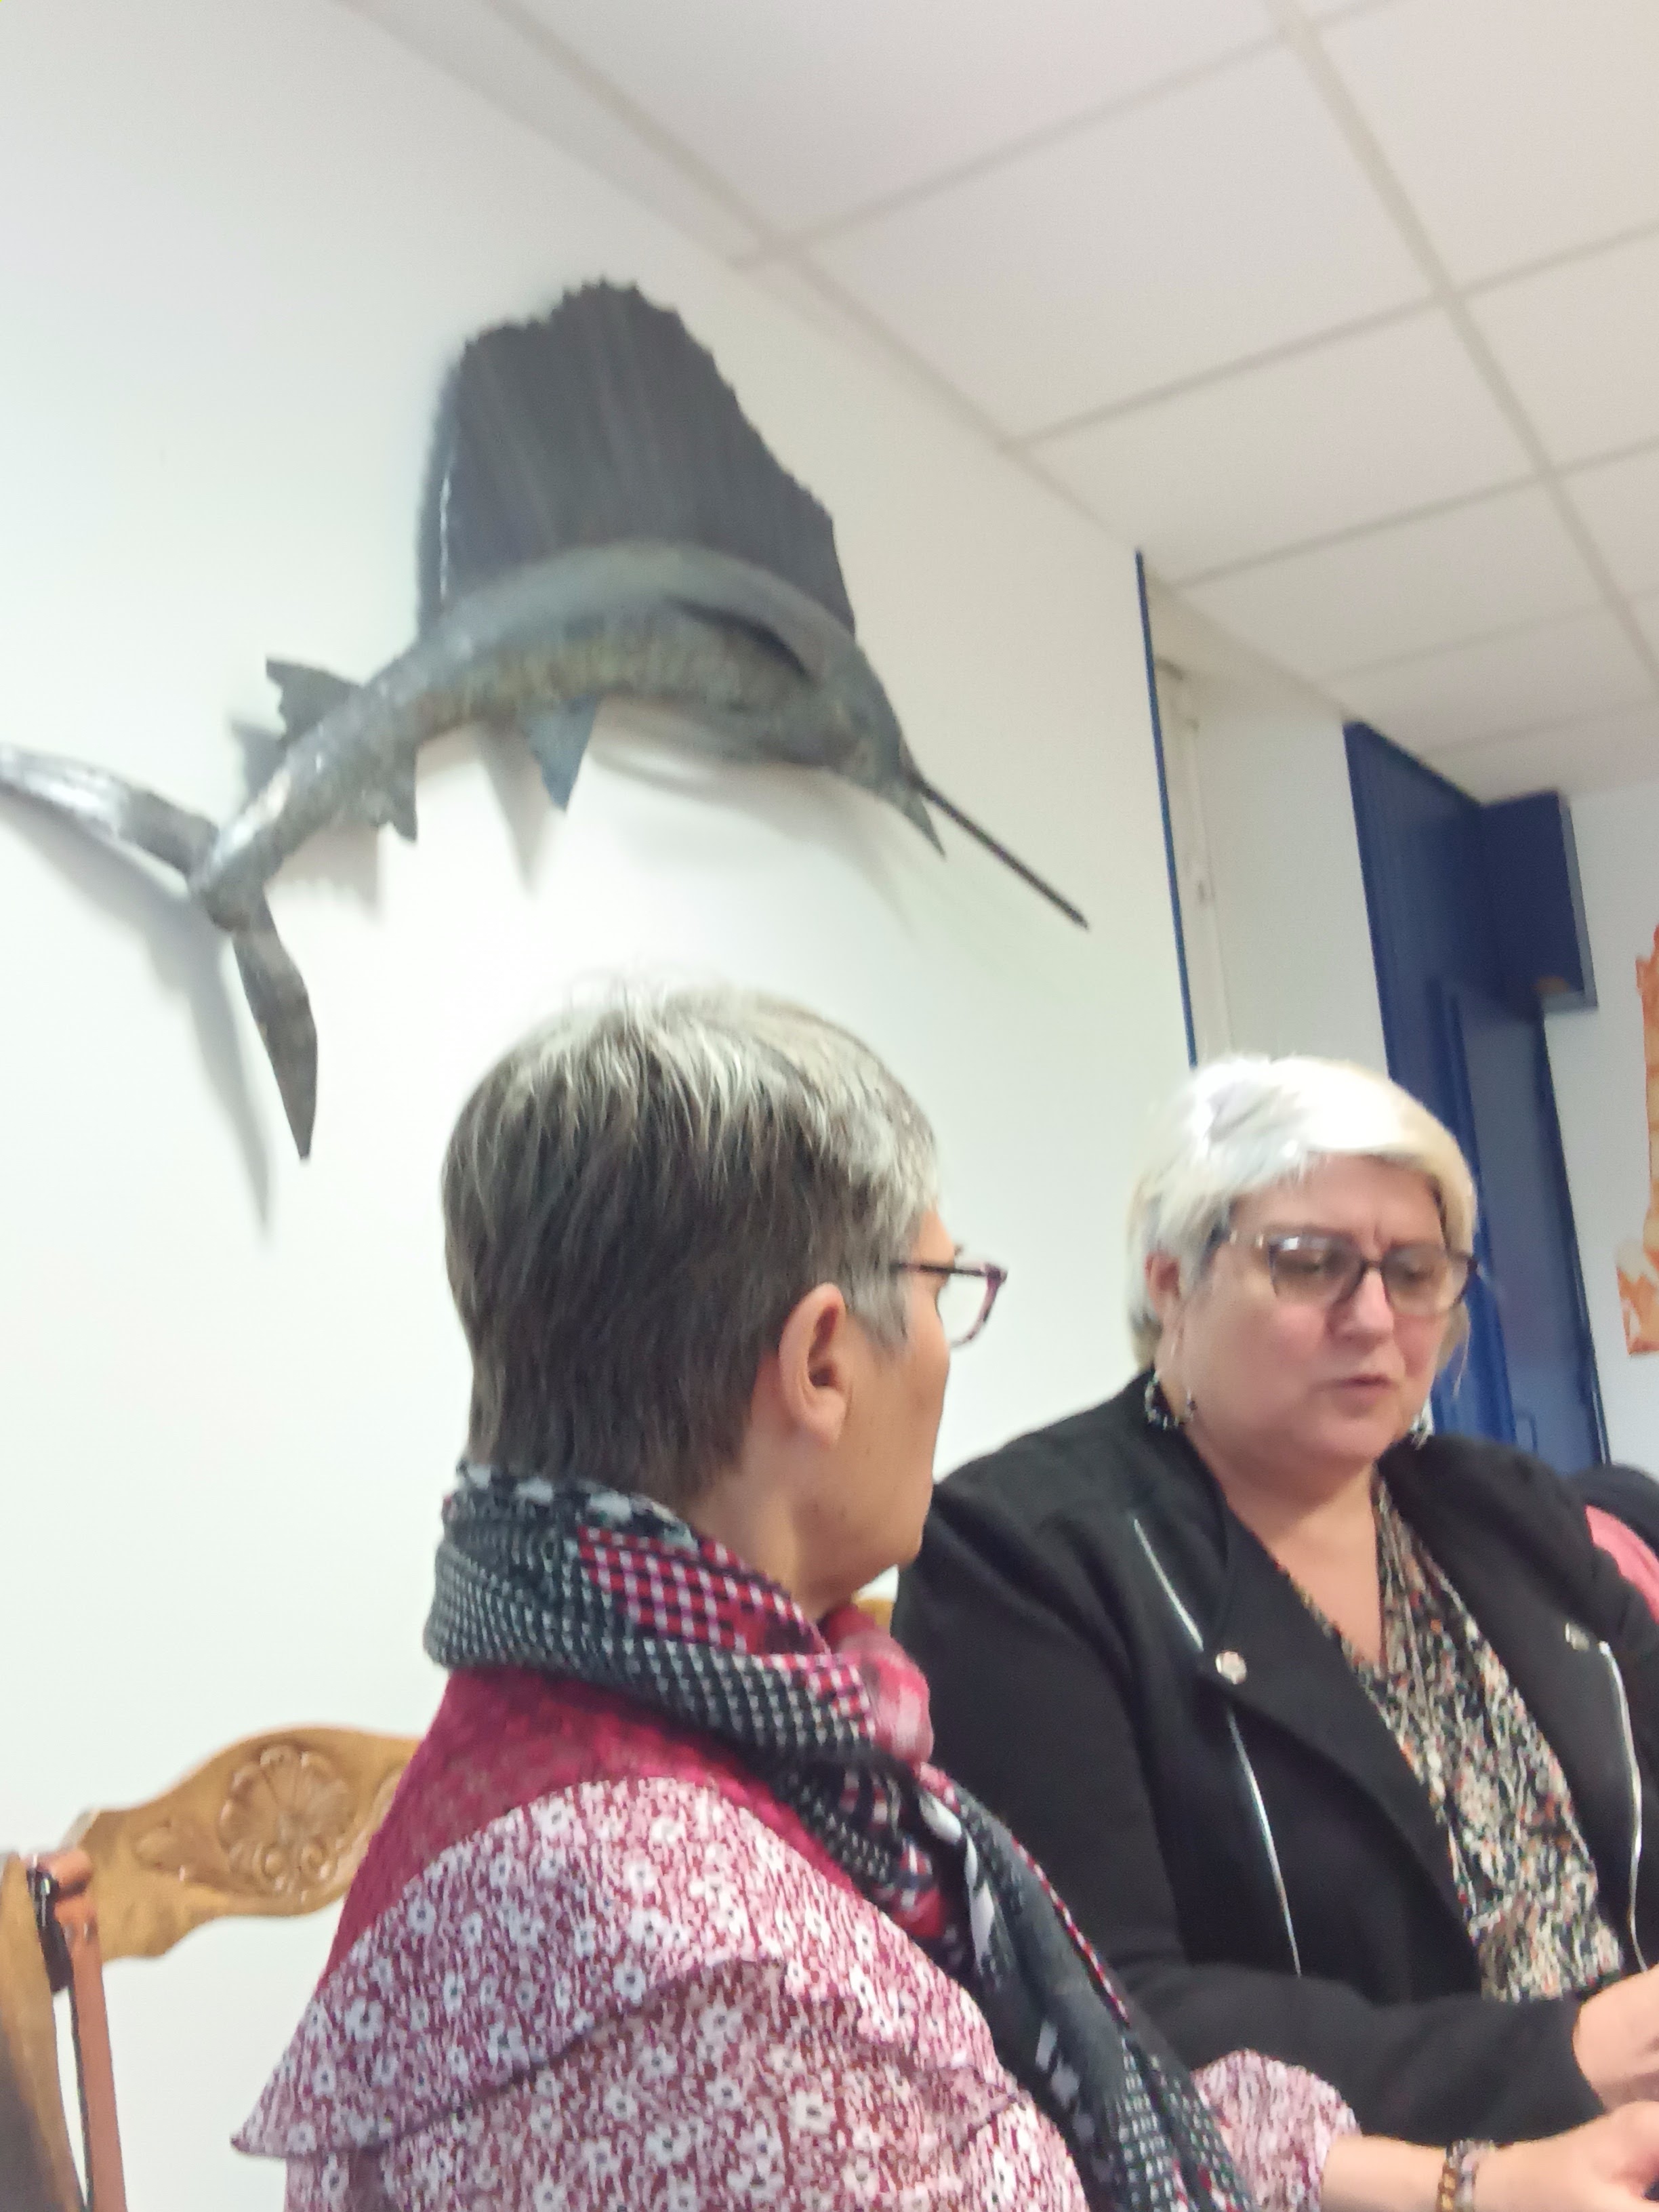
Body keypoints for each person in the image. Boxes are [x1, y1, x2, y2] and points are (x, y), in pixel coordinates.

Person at [237, 1006, 1659, 2212]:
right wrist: (1523, 2106)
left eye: (1414, 1272)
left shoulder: (752, 1727)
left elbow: (1074, 2096)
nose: (1375, 1317)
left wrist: (1465, 2183)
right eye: (942, 1287)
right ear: (822, 1360)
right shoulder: (693, 1952)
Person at [895, 1052, 1659, 2156]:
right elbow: (1106, 2003)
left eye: (1415, 1271)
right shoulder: (1022, 1555)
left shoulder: (1504, 1510)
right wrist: (1565, 2057)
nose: (1374, 1316)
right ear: (1171, 1283)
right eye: (1310, 1265)